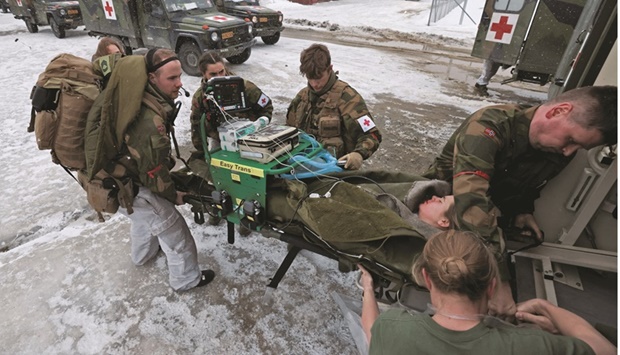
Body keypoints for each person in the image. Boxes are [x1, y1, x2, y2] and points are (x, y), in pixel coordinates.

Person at [422, 85, 617, 319]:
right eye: (571, 140)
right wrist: (498, 280)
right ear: (558, 111)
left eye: (578, 147)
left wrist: (522, 212)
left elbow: (529, 185)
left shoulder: (557, 149)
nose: (568, 152)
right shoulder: (489, 126)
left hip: (483, 224)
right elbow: (471, 201)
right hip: (439, 209)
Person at [359, 230, 616, 355]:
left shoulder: (393, 329)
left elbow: (371, 329)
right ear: (492, 286)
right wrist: (545, 306)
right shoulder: (533, 346)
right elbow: (605, 350)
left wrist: (368, 289)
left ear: (427, 279)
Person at [113, 48, 215, 291]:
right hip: (134, 186)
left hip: (117, 180)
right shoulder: (150, 121)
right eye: (172, 78)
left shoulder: (135, 99)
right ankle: (186, 280)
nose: (179, 84)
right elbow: (154, 173)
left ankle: (142, 256)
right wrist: (173, 195)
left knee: (142, 221)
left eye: (180, 76)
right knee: (175, 234)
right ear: (151, 79)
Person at [187, 52, 273, 233]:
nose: (220, 78)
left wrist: (259, 126)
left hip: (246, 141)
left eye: (221, 71)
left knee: (247, 180)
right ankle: (218, 209)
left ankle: (246, 217)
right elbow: (197, 126)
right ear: (204, 74)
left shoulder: (244, 87)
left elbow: (266, 106)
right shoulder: (200, 97)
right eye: (213, 75)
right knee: (217, 177)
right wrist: (202, 153)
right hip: (220, 142)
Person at [286, 43, 382, 170]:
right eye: (310, 78)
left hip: (335, 172)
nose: (315, 84)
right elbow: (288, 132)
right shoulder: (302, 97)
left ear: (330, 68)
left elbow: (372, 135)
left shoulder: (348, 98)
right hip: (302, 168)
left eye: (319, 78)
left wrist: (358, 154)